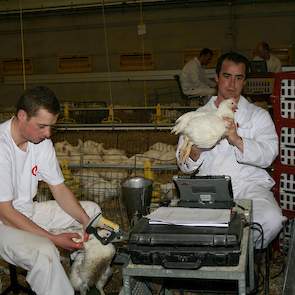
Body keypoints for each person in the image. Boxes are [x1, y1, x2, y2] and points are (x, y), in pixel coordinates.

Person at [0, 86, 102, 295]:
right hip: (4, 223)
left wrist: (85, 221)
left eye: (51, 127)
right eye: (42, 126)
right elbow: (7, 213)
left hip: (28, 211)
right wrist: (53, 239)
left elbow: (59, 188)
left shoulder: (40, 141)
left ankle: (83, 279)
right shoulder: (2, 148)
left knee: (92, 212)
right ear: (22, 116)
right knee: (45, 251)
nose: (48, 133)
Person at [176, 51, 284, 248]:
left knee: (272, 219)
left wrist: (236, 139)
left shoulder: (258, 115)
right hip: (210, 186)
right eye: (227, 76)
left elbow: (269, 155)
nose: (232, 84)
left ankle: (243, 256)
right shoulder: (197, 116)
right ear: (217, 78)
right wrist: (196, 149)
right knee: (193, 227)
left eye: (239, 78)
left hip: (248, 185)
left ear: (244, 82)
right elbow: (184, 166)